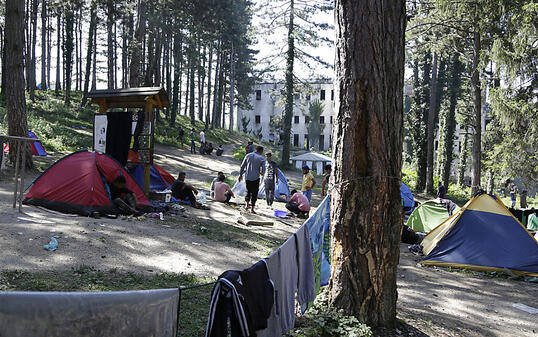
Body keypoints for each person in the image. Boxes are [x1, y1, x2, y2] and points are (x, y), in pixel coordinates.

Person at [239, 146, 265, 213]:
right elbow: (263, 169)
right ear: (261, 151)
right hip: (256, 178)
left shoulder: (248, 155)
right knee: (254, 193)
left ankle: (247, 205)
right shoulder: (261, 158)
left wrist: (240, 175)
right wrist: (262, 173)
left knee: (248, 191)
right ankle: (252, 209)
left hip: (247, 177)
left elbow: (242, 166)